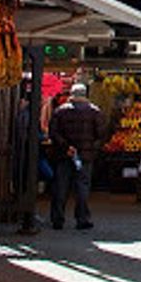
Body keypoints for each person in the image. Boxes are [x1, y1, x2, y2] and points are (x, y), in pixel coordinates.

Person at [48, 82, 106, 231]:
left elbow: (53, 133)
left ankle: (57, 219)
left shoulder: (60, 111)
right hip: (85, 155)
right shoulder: (95, 112)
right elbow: (101, 135)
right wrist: (91, 149)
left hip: (64, 154)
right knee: (82, 187)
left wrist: (66, 147)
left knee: (61, 186)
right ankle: (82, 219)